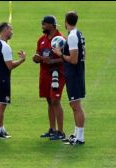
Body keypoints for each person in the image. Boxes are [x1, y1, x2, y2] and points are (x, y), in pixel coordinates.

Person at [52, 11, 86, 145]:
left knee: (76, 105)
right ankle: (76, 134)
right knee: (74, 104)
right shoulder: (78, 34)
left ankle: (80, 137)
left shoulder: (72, 36)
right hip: (76, 73)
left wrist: (60, 54)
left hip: (74, 74)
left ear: (66, 21)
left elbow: (73, 60)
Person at [33, 16, 66, 141]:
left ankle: (61, 132)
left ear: (52, 25)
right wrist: (36, 58)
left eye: (44, 24)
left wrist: (51, 61)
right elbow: (38, 54)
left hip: (57, 74)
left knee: (55, 101)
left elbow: (65, 58)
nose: (42, 26)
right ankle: (52, 129)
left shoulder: (61, 40)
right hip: (44, 74)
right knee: (49, 101)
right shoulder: (41, 39)